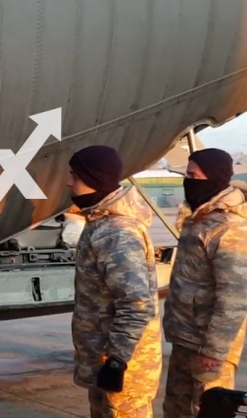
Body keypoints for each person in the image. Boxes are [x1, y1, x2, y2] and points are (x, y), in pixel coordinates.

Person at [67, 145, 162, 418]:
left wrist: (117, 361)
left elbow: (136, 303)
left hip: (123, 363)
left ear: (93, 178)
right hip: (104, 357)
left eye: (75, 175)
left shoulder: (117, 233)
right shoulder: (100, 224)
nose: (69, 182)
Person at [163, 148, 247, 418]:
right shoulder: (199, 220)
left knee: (210, 410)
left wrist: (215, 348)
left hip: (208, 347)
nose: (187, 182)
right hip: (185, 339)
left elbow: (234, 295)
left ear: (213, 178)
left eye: (193, 176)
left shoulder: (229, 228)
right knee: (176, 409)